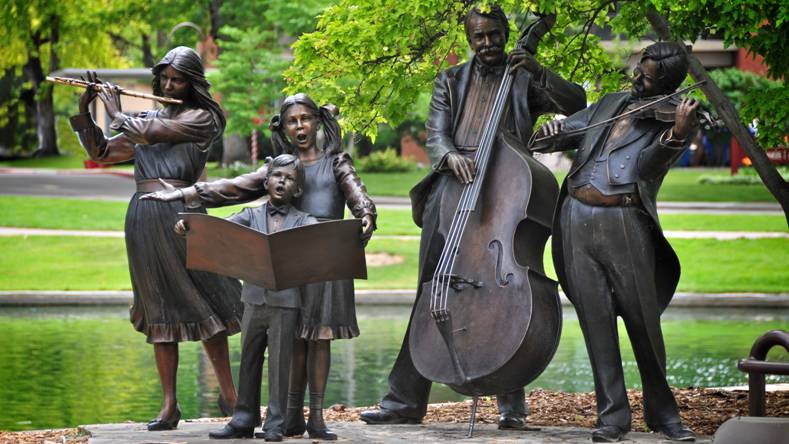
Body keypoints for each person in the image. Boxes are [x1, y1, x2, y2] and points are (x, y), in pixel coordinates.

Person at [360, 4, 587, 430]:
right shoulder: (448, 80)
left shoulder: (522, 76)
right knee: (433, 289)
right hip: (451, 191)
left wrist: (538, 71)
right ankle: (404, 399)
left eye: (493, 35)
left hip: (505, 186)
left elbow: (578, 103)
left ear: (505, 32)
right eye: (478, 37)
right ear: (469, 39)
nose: (487, 44)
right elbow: (436, 133)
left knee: (505, 295)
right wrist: (447, 155)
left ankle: (511, 402)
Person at [141, 93, 376, 440]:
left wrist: (367, 213)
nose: (300, 127)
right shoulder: (279, 168)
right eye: (293, 121)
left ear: (317, 121)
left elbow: (357, 193)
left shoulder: (335, 160)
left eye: (306, 119)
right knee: (294, 340)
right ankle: (291, 417)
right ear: (284, 127)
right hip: (290, 262)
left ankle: (317, 418)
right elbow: (230, 189)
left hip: (326, 255)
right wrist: (182, 195)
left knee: (320, 339)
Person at [531, 42, 698, 442]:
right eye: (639, 69)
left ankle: (664, 414)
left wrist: (676, 134)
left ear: (667, 82)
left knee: (643, 320)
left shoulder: (670, 116)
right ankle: (612, 417)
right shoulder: (609, 103)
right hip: (574, 218)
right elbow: (564, 133)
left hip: (624, 220)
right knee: (596, 321)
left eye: (648, 75)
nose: (638, 78)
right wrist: (552, 131)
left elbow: (647, 168)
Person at [69, 46, 243, 430]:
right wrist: (85, 111)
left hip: (185, 212)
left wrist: (116, 111)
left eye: (177, 78)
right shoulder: (146, 118)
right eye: (164, 77)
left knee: (209, 300)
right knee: (157, 305)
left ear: (193, 81)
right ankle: (169, 406)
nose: (168, 84)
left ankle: (231, 396)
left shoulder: (204, 117)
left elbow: (151, 131)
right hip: (145, 217)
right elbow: (101, 151)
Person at [178, 154, 317, 441]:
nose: (282, 181)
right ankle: (243, 419)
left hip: (286, 303)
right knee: (250, 359)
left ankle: (275, 424)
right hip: (253, 300)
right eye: (278, 175)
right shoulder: (250, 216)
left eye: (290, 179)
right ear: (266, 182)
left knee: (280, 364)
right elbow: (220, 229)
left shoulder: (306, 221)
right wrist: (189, 225)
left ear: (298, 190)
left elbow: (323, 244)